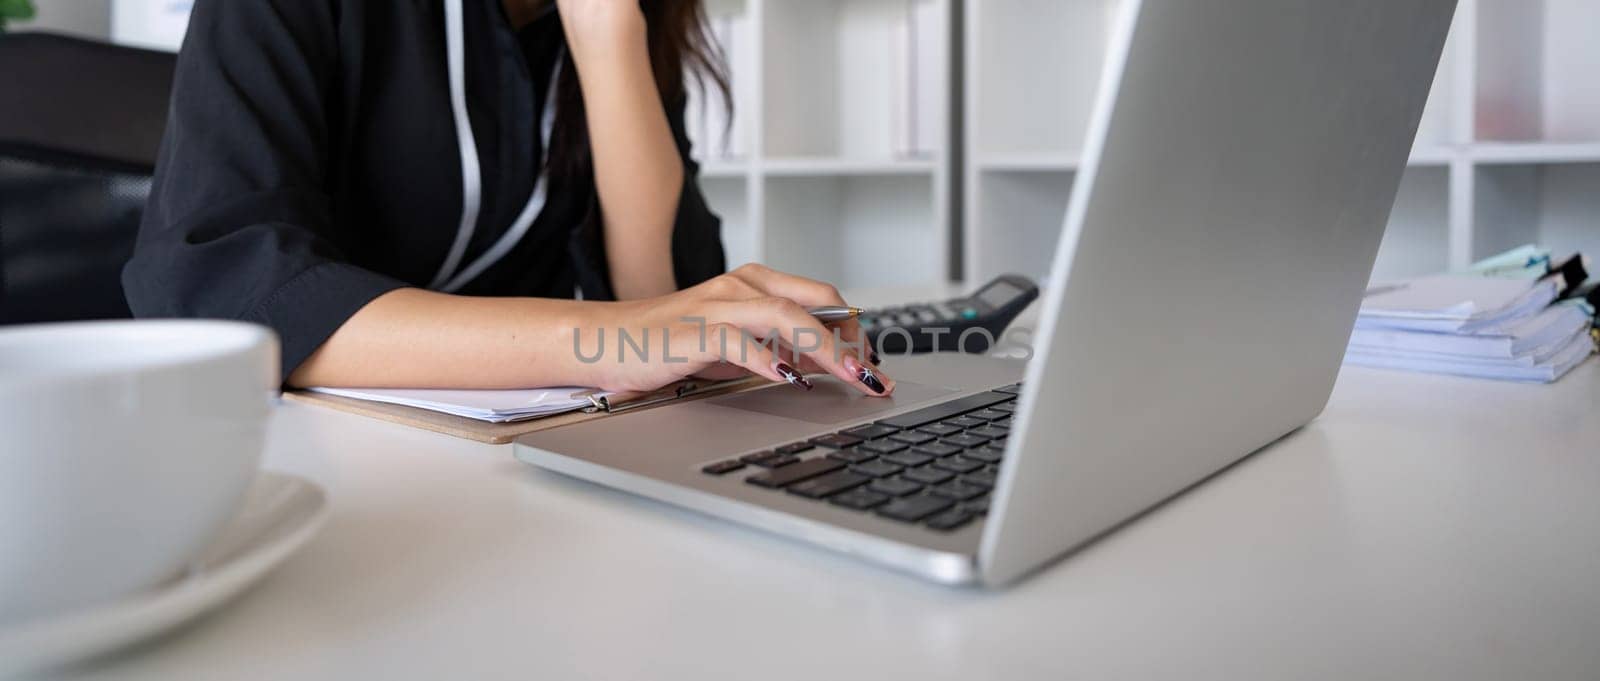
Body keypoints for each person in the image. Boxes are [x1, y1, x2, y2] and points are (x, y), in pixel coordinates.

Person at [123, 0, 893, 397]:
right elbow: (232, 290)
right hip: (315, 468)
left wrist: (607, 36)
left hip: (511, 465)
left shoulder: (619, 23)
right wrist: (609, 342)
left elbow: (661, 295)